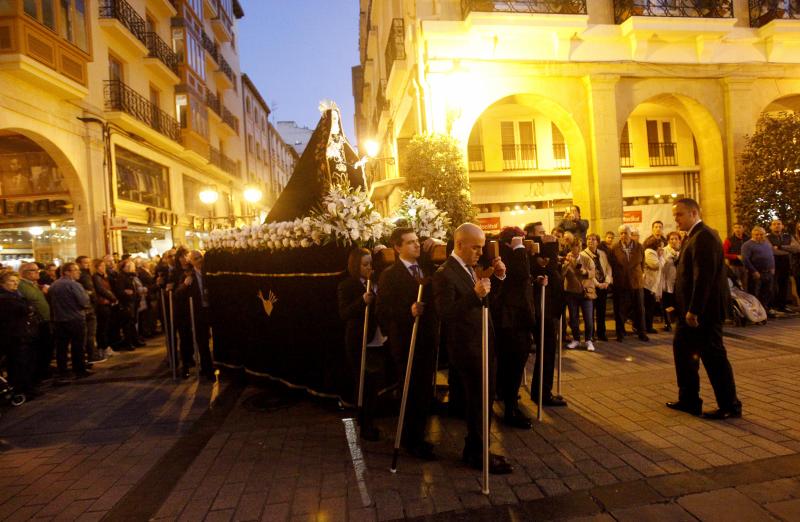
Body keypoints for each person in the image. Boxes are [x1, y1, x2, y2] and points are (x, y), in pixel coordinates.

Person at [434, 223, 512, 474]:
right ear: (459, 244)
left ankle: (475, 449)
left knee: (485, 400)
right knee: (479, 401)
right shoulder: (445, 273)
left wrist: (495, 279)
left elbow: (485, 302)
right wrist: (474, 294)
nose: (480, 252)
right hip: (468, 348)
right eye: (476, 247)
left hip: (483, 343)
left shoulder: (469, 269)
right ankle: (478, 454)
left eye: (481, 247)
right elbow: (445, 313)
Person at [668, 198, 741, 420]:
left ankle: (730, 405)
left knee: (713, 356)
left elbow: (704, 277)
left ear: (693, 212)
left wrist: (694, 310)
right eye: (674, 215)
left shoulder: (705, 237)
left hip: (703, 313)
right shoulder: (692, 236)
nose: (676, 219)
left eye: (679, 214)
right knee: (683, 353)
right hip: (687, 311)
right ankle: (689, 400)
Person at [377, 228, 438, 460]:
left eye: (417, 241)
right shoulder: (390, 275)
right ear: (397, 247)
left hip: (426, 338)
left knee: (423, 390)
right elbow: (382, 309)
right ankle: (411, 439)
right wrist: (408, 311)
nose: (416, 246)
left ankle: (418, 434)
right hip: (405, 340)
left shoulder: (426, 268)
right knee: (411, 389)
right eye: (410, 242)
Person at [337, 248, 384, 441]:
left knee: (373, 383)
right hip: (358, 339)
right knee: (363, 382)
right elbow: (344, 313)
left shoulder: (375, 283)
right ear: (356, 266)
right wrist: (362, 301)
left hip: (376, 338)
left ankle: (370, 419)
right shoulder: (346, 285)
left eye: (370, 264)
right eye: (365, 265)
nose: (369, 268)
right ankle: (364, 424)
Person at [492, 227, 534, 429]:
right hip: (511, 320)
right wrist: (518, 248)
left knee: (512, 365)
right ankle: (510, 408)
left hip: (516, 319)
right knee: (513, 365)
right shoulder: (507, 256)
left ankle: (509, 402)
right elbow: (521, 273)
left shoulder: (514, 257)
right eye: (519, 240)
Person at [526, 222, 568, 408]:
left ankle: (543, 390)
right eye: (541, 234)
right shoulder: (534, 256)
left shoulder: (542, 255)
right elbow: (548, 270)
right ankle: (542, 393)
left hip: (551, 308)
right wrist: (550, 246)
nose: (546, 236)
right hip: (542, 310)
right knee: (546, 350)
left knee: (549, 351)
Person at [175, 250, 214, 380]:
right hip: (195, 312)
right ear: (191, 261)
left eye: (200, 257)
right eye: (196, 258)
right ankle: (206, 369)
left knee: (206, 341)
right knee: (200, 341)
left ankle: (207, 367)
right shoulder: (187, 275)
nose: (199, 260)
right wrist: (185, 285)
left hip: (207, 310)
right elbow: (178, 294)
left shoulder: (208, 272)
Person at [49, 262, 91, 380]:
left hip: (59, 320)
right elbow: (83, 302)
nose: (79, 272)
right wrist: (87, 295)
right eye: (75, 270)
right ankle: (79, 369)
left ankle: (63, 371)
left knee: (61, 348)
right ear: (67, 272)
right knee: (77, 346)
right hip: (75, 319)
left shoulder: (54, 285)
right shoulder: (74, 285)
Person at [0, 271, 38, 397]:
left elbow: (30, 306)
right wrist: (28, 309)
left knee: (24, 362)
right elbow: (24, 309)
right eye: (11, 281)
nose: (15, 283)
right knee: (18, 363)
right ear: (3, 283)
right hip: (13, 335)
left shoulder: (16, 294)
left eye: (16, 281)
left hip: (21, 332)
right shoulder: (5, 297)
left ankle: (25, 387)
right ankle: (22, 389)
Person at [609, 224, 649, 342]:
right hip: (621, 283)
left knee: (640, 309)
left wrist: (640, 275)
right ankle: (620, 333)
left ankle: (642, 332)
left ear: (630, 234)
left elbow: (642, 264)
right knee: (620, 310)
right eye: (621, 233)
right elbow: (613, 264)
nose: (623, 235)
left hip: (636, 282)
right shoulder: (615, 248)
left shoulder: (639, 247)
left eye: (625, 233)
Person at [18, 263, 53, 382]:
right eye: (34, 270)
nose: (38, 272)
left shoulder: (33, 285)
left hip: (44, 320)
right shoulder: (22, 286)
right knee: (40, 349)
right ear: (25, 273)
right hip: (37, 322)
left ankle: (43, 371)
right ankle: (39, 374)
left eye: (38, 270)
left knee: (46, 347)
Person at [563, 239, 596, 352]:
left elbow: (593, 272)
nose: (577, 249)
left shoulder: (586, 259)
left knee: (588, 318)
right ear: (571, 247)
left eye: (579, 246)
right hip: (572, 292)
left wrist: (585, 272)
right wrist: (565, 266)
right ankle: (576, 339)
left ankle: (588, 340)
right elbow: (561, 274)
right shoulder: (566, 259)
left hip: (585, 292)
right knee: (573, 318)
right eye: (574, 246)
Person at [767, 219, 800, 312]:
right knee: (773, 285)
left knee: (784, 285)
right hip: (773, 262)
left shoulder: (788, 236)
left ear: (782, 226)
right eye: (774, 224)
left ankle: (782, 306)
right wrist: (788, 249)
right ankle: (773, 306)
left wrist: (780, 247)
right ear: (771, 227)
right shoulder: (768, 237)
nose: (776, 226)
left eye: (779, 224)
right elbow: (772, 250)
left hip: (786, 263)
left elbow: (797, 248)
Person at [583, 234, 612, 342]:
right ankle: (591, 334)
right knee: (590, 312)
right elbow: (587, 272)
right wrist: (597, 284)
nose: (590, 241)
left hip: (603, 285)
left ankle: (601, 333)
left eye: (593, 239)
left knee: (601, 311)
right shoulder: (583, 254)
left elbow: (608, 268)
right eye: (589, 239)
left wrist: (607, 281)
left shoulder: (602, 253)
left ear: (598, 242)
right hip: (591, 286)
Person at [76, 255, 104, 363]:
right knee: (89, 333)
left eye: (88, 263)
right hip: (88, 307)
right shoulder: (83, 276)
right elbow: (89, 290)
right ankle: (91, 355)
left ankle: (91, 354)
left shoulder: (88, 274)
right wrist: (91, 296)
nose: (87, 265)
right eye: (84, 263)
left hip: (91, 306)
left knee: (91, 333)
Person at [742, 226, 775, 312]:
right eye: (757, 235)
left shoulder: (766, 244)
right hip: (756, 273)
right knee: (755, 293)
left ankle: (764, 310)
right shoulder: (747, 245)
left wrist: (772, 267)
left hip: (768, 272)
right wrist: (754, 271)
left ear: (764, 235)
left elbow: (771, 256)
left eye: (761, 234)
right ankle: (756, 312)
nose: (759, 236)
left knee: (767, 292)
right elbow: (745, 259)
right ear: (752, 235)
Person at [114, 260, 143, 350]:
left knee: (132, 323)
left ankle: (135, 340)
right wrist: (126, 292)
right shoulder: (121, 277)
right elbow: (120, 290)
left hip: (132, 302)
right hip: (126, 303)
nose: (131, 268)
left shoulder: (130, 276)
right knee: (127, 324)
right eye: (128, 266)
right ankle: (129, 343)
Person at [92, 258, 118, 358]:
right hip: (102, 305)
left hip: (106, 303)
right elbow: (101, 289)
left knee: (105, 327)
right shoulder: (96, 277)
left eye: (104, 266)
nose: (104, 268)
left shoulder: (103, 277)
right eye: (101, 266)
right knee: (102, 328)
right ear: (96, 268)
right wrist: (113, 298)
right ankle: (103, 348)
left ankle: (105, 347)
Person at [642, 236, 665, 335]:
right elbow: (656, 265)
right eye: (661, 246)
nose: (662, 249)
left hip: (652, 284)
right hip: (647, 284)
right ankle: (647, 326)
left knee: (650, 306)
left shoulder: (654, 253)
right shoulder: (649, 252)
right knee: (648, 306)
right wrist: (660, 256)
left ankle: (648, 326)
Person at [661, 232, 681, 331]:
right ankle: (667, 323)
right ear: (668, 240)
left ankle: (677, 321)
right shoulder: (664, 251)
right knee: (667, 302)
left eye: (676, 239)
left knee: (677, 302)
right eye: (671, 239)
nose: (674, 241)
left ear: (679, 240)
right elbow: (661, 265)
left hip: (679, 281)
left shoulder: (682, 250)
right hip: (667, 280)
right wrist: (669, 257)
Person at [723, 223, 749, 290]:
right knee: (736, 285)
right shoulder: (729, 240)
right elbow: (723, 253)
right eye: (735, 228)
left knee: (746, 286)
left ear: (743, 229)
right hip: (734, 266)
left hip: (747, 266)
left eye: (739, 227)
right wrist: (736, 256)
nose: (737, 229)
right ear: (733, 229)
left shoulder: (748, 239)